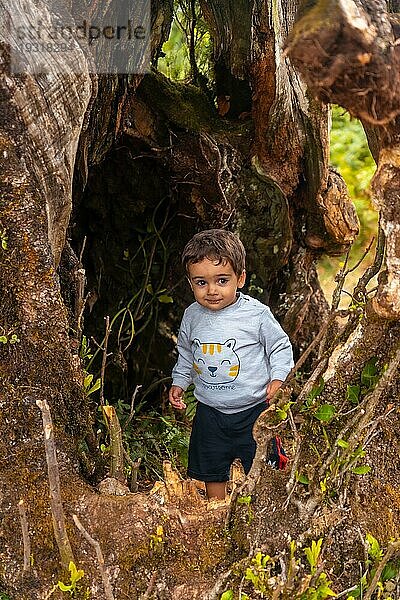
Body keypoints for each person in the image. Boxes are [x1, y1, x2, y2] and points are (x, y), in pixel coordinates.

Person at [169, 229, 293, 500]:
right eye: (201, 282)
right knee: (211, 466)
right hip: (210, 411)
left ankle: (263, 505)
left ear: (241, 279)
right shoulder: (192, 316)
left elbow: (279, 346)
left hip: (254, 410)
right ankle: (216, 508)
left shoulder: (256, 314)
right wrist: (180, 382)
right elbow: (186, 353)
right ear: (190, 283)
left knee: (262, 465)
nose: (212, 290)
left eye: (222, 280)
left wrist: (278, 378)